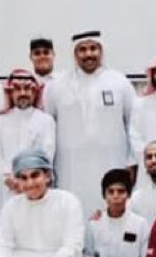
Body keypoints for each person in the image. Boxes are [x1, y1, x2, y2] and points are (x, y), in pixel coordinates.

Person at [42, 30, 136, 215]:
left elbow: (133, 124)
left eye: (93, 48)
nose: (88, 54)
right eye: (82, 50)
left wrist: (131, 161)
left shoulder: (120, 82)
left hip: (112, 160)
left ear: (101, 51)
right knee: (72, 209)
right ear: (74, 53)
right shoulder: (57, 85)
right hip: (70, 165)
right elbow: (47, 126)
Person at [0, 68, 57, 207]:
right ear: (10, 92)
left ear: (35, 92)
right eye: (17, 89)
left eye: (27, 89)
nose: (23, 93)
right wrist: (8, 179)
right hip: (7, 188)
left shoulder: (46, 121)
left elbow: (47, 153)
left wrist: (29, 179)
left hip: (36, 185)